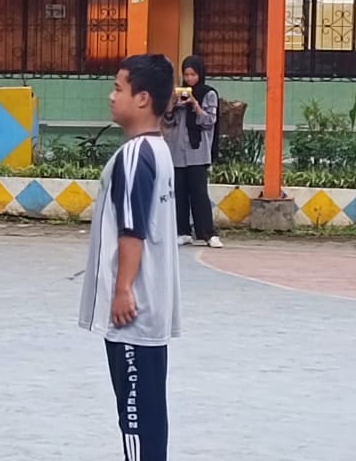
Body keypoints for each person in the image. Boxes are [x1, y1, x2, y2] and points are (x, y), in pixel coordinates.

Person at [79, 53, 181, 461]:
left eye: (118, 88)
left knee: (136, 420)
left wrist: (122, 288)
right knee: (151, 418)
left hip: (133, 315)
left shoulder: (137, 154)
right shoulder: (158, 150)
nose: (111, 96)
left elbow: (132, 228)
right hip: (149, 310)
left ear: (142, 99)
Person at [163, 55, 223, 249]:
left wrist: (195, 105)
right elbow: (168, 122)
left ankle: (208, 233)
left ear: (200, 74)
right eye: (186, 74)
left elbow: (209, 121)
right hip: (177, 151)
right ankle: (183, 231)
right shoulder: (178, 93)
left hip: (198, 151)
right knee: (179, 192)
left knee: (199, 193)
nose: (189, 78)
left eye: (193, 74)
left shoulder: (208, 94)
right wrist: (172, 105)